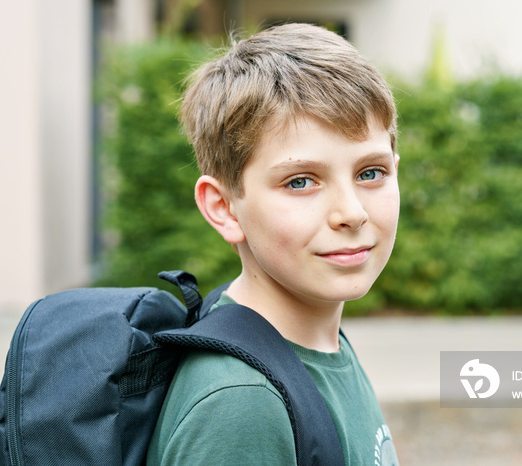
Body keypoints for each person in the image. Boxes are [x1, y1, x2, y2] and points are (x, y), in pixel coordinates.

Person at [146, 22, 401, 465]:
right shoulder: (242, 405)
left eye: (370, 173)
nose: (352, 212)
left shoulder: (319, 341)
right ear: (224, 207)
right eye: (300, 181)